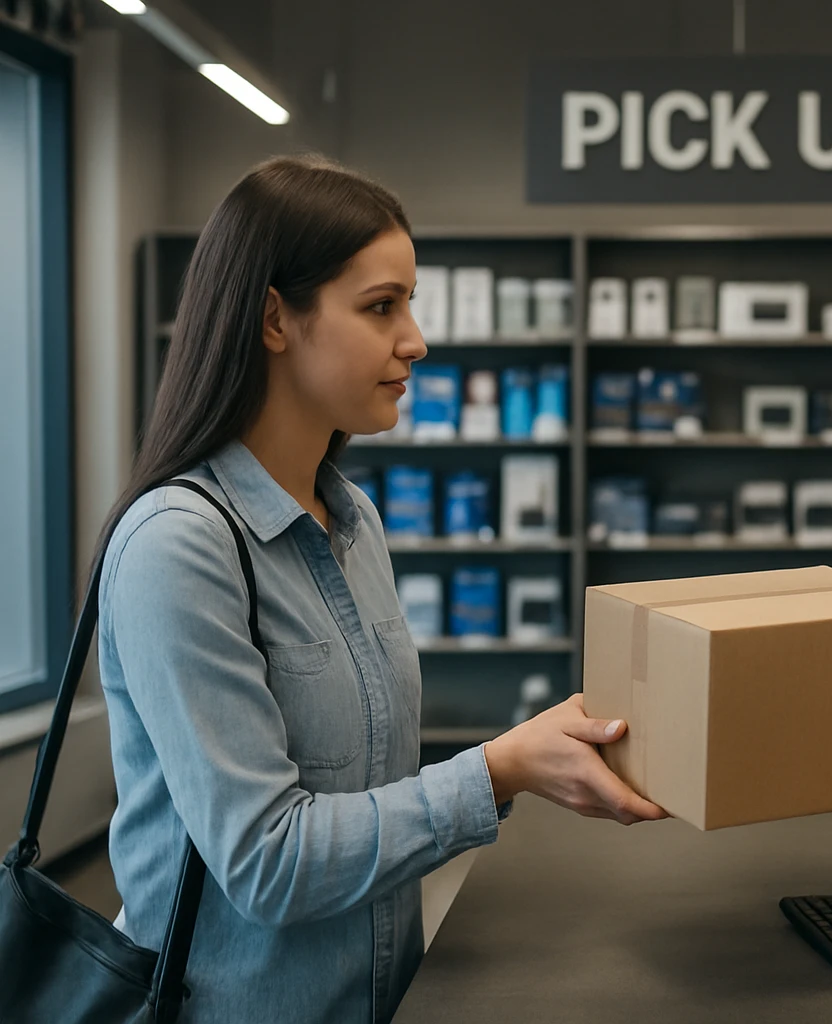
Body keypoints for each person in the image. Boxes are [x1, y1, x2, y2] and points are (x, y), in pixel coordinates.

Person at [95, 156, 666, 1024]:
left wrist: (513, 772)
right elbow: (266, 861)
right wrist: (499, 769)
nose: (417, 340)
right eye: (380, 306)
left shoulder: (352, 519)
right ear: (274, 318)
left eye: (410, 302)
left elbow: (371, 793)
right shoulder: (179, 546)